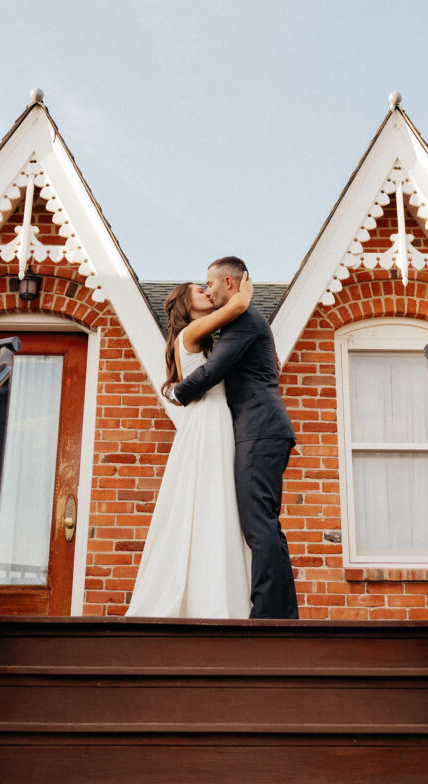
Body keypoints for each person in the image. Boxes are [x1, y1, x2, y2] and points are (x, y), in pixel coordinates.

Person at [173, 256, 298, 620]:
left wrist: (178, 393)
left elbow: (212, 371)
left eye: (210, 284)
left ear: (228, 283)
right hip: (257, 431)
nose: (208, 291)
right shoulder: (235, 322)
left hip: (259, 431)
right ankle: (282, 615)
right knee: (264, 525)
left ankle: (267, 617)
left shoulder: (243, 318)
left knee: (259, 525)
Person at [126, 274, 254, 618]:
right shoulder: (190, 334)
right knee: (212, 500)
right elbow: (240, 304)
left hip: (215, 421)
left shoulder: (209, 341)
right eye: (200, 290)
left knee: (216, 502)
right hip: (208, 424)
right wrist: (243, 284)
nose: (207, 292)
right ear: (186, 303)